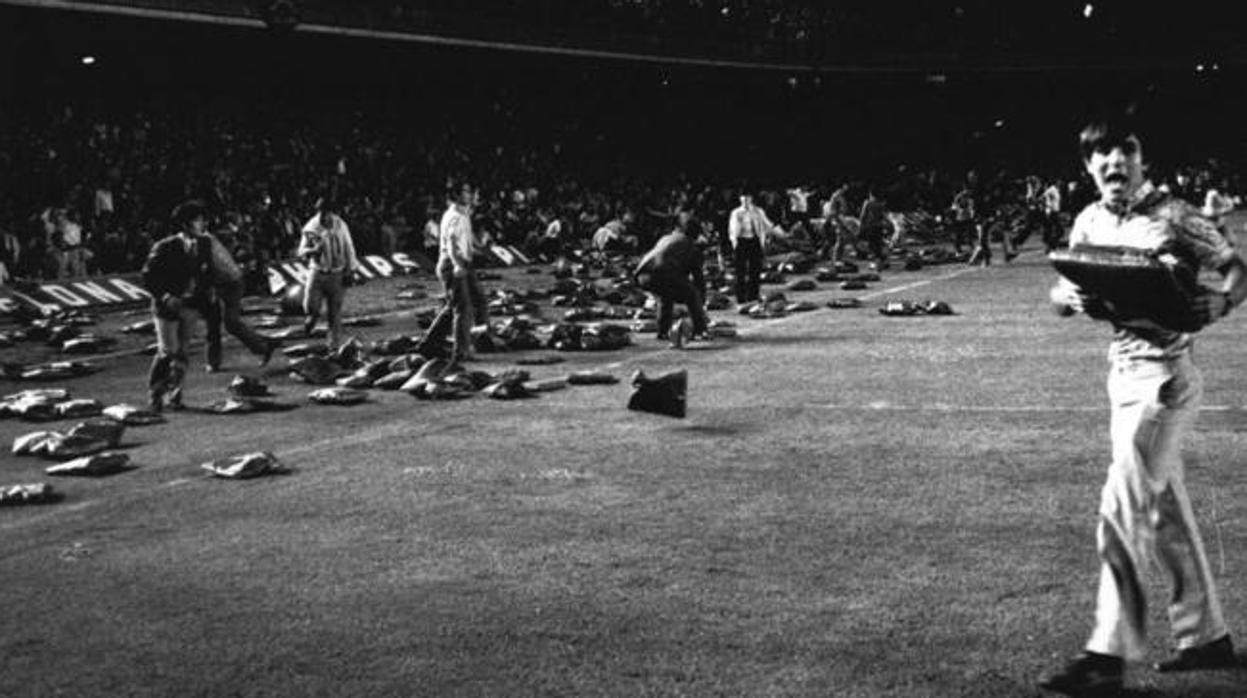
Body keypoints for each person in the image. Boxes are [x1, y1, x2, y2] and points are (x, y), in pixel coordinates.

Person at [1040, 114, 1246, 696]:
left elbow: (1236, 268)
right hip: (1122, 374)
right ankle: (1205, 634)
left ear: (1140, 160)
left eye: (1123, 151)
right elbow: (1065, 291)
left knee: (1121, 505)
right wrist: (1068, 296)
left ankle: (1107, 654)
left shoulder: (1174, 216)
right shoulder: (1088, 220)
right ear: (1088, 167)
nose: (1113, 163)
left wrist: (1224, 303)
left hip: (1164, 379)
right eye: (1100, 155)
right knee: (1162, 514)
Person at [140, 200, 215, 412]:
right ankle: (155, 393)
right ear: (186, 224)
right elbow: (147, 277)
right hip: (167, 307)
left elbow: (206, 272)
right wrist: (164, 297)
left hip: (191, 305)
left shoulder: (205, 244)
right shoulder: (164, 247)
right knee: (167, 350)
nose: (203, 224)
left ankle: (175, 393)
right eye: (199, 220)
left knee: (182, 352)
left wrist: (208, 289)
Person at [417, 182, 489, 362]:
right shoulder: (455, 216)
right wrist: (458, 265)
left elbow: (465, 239)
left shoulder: (463, 213)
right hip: (453, 264)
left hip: (463, 262)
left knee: (474, 300)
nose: (471, 194)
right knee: (462, 308)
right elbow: (451, 243)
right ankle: (461, 352)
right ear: (457, 195)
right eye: (467, 191)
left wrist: (476, 250)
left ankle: (430, 342)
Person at [203, 227, 279, 372]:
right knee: (214, 321)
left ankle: (263, 346)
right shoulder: (203, 239)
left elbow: (207, 266)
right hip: (221, 282)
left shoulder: (203, 241)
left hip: (230, 282)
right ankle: (213, 361)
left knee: (230, 322)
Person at [633, 209, 708, 343]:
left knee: (665, 297)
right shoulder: (691, 246)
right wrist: (701, 303)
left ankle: (663, 331)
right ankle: (700, 330)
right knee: (692, 294)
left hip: (642, 275)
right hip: (663, 274)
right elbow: (698, 278)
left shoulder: (666, 238)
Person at [297, 196, 360, 351]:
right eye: (323, 213)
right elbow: (301, 252)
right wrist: (312, 250)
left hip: (336, 274)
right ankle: (310, 322)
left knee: (335, 313)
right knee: (312, 309)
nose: (326, 216)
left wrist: (351, 270)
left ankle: (333, 347)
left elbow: (348, 246)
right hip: (317, 273)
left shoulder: (340, 225)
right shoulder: (311, 227)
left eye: (329, 213)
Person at [728, 191, 772, 304]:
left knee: (755, 270)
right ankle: (741, 297)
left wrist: (781, 233)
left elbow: (768, 224)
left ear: (751, 199)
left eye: (747, 198)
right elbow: (732, 230)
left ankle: (753, 295)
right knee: (740, 272)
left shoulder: (758, 211)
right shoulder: (736, 213)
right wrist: (734, 243)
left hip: (754, 241)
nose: (745, 201)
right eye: (743, 198)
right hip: (741, 241)